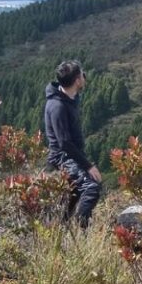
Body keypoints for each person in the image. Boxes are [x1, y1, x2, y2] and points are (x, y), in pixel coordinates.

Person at [44, 60, 102, 227]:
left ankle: (61, 228)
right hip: (63, 157)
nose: (84, 76)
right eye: (81, 74)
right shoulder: (57, 106)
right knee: (91, 187)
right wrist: (88, 166)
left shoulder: (69, 97)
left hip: (71, 155)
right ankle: (81, 229)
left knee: (74, 193)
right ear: (77, 81)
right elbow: (64, 143)